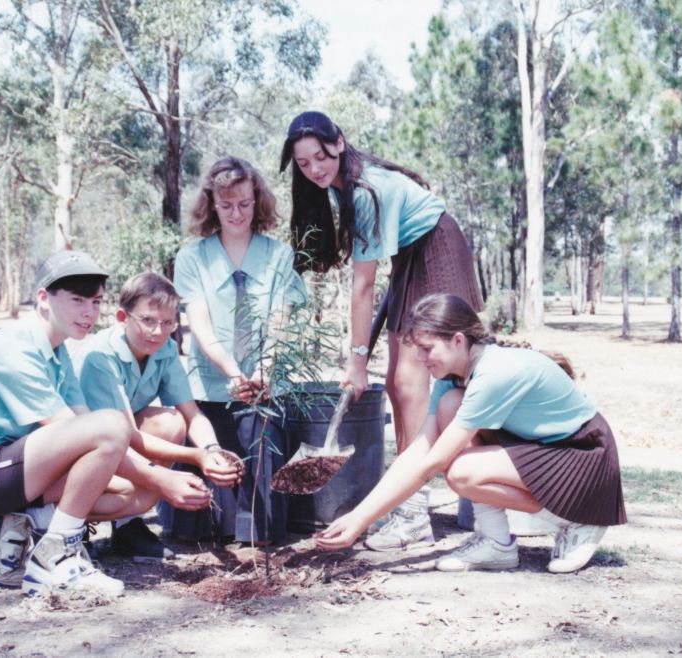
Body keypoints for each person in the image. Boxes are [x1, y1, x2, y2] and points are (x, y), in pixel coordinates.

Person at [0, 251, 212, 597]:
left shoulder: (60, 353)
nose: (88, 312)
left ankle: (16, 530)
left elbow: (88, 431)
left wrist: (158, 478)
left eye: (94, 301)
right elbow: (91, 431)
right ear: (43, 298)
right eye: (77, 300)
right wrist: (161, 475)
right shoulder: (14, 347)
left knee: (130, 497)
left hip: (22, 468)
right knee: (112, 427)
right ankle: (55, 559)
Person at [280, 110, 485, 551]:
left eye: (320, 155)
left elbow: (363, 285)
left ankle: (417, 512)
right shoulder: (339, 188)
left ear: (339, 141)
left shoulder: (366, 191)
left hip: (437, 248)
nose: (315, 168)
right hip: (410, 258)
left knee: (414, 382)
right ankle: (422, 496)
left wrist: (356, 363)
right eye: (304, 163)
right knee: (396, 383)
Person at [316, 293, 626, 574]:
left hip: (585, 456)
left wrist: (361, 519)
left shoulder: (494, 372)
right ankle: (497, 544)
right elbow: (420, 449)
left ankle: (577, 519)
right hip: (543, 449)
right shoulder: (452, 379)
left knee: (461, 471)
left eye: (427, 349)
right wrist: (360, 514)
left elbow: (432, 464)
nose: (422, 360)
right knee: (451, 407)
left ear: (458, 340)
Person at [163, 156, 307, 546]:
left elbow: (279, 324)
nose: (236, 213)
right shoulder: (192, 258)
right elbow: (202, 331)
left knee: (262, 514)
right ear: (211, 204)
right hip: (211, 385)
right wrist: (232, 373)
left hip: (263, 383)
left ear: (256, 199)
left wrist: (261, 371)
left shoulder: (278, 255)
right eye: (226, 205)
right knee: (196, 526)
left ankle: (256, 539)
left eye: (244, 203)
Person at [77, 272, 243, 562]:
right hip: (79, 449)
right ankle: (75, 525)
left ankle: (127, 526)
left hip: (118, 440)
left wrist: (212, 451)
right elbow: (126, 435)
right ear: (122, 317)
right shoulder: (100, 356)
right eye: (148, 320)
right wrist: (193, 460)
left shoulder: (163, 348)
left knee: (171, 422)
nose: (158, 331)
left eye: (168, 323)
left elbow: (191, 414)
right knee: (148, 488)